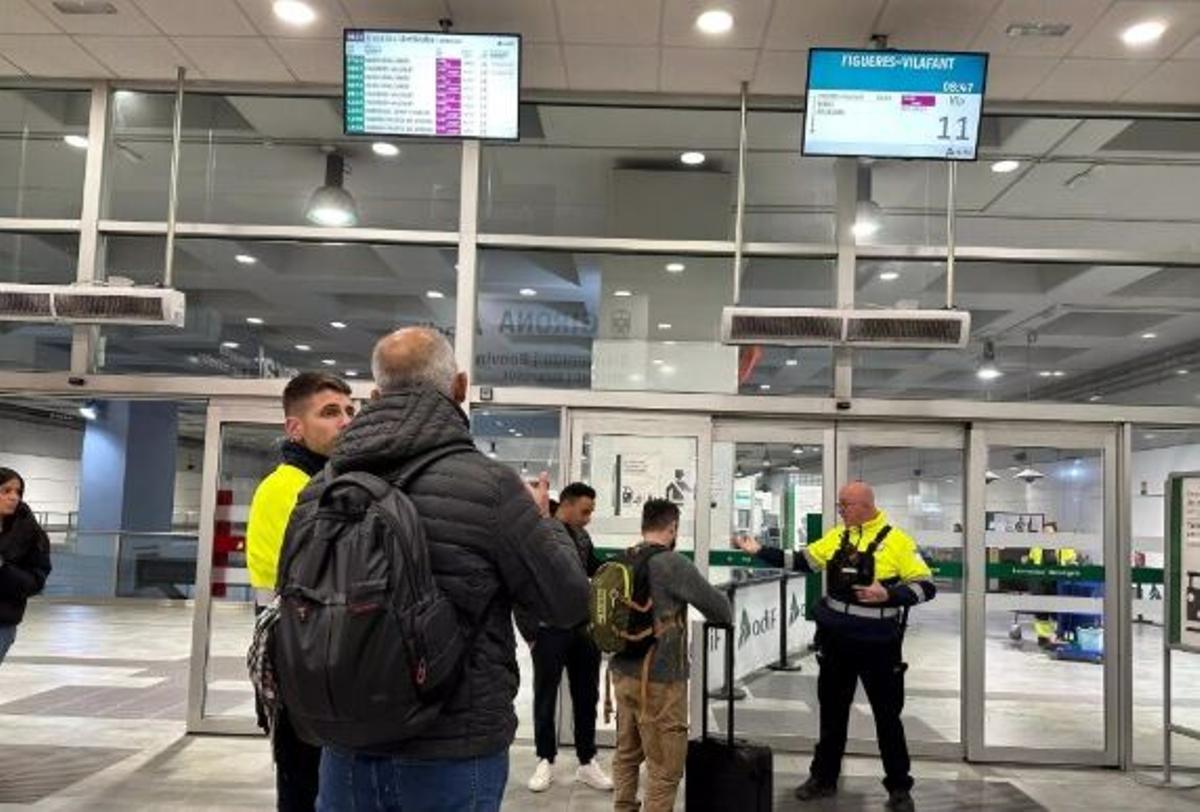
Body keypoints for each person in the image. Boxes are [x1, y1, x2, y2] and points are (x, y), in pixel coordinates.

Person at [314, 326, 591, 812]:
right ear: (460, 388)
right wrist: (543, 518)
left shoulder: (323, 485)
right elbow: (568, 602)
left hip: (345, 741)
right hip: (453, 745)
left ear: (376, 396)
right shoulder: (490, 486)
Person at [735, 481, 935, 812]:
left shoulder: (897, 541)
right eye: (840, 505)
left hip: (879, 644)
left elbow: (925, 585)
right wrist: (758, 550)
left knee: (887, 717)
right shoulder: (836, 537)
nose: (841, 510)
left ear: (866, 505)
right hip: (837, 641)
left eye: (846, 505)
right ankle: (823, 779)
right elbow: (801, 560)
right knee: (832, 714)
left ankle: (899, 788)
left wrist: (889, 595)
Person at [246, 372, 355, 812]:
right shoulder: (287, 487)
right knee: (304, 788)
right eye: (330, 412)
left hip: (322, 663)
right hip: (301, 667)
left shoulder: (329, 481)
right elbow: (317, 581)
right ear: (295, 428)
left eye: (350, 411)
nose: (345, 421)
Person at [611, 499, 732, 812]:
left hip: (622, 672)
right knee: (665, 769)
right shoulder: (672, 563)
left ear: (643, 525)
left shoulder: (625, 557)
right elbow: (720, 609)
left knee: (626, 754)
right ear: (673, 527)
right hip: (660, 681)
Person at [524, 482, 610, 793]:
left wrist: (629, 560)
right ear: (568, 505)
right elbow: (522, 582)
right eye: (585, 511)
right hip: (548, 630)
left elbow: (597, 568)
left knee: (587, 696)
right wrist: (530, 631)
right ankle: (545, 759)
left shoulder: (582, 537)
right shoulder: (540, 533)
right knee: (545, 697)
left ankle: (587, 761)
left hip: (583, 629)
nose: (588, 517)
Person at [0, 468, 52, 665]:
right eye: (6, 491)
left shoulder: (29, 534)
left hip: (2, 621)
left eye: (18, 492)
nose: (14, 497)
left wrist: (4, 568)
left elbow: (36, 581)